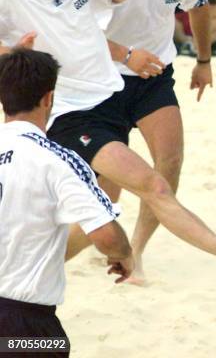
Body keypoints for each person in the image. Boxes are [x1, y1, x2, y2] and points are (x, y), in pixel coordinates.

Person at [0, 0, 216, 283]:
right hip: (71, 115)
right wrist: (12, 53)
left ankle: (20, 273)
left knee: (103, 211)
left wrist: (120, 1)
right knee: (153, 185)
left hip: (111, 98)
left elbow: (95, 22)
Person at [85, 0, 216, 281]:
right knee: (109, 183)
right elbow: (79, 30)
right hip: (106, 79)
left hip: (155, 78)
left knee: (169, 161)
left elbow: (200, 9)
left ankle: (137, 251)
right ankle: (102, 246)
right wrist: (125, 54)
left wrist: (204, 61)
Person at [0, 48, 133, 348]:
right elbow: (107, 236)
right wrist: (123, 254)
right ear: (49, 99)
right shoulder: (56, 159)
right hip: (22, 323)